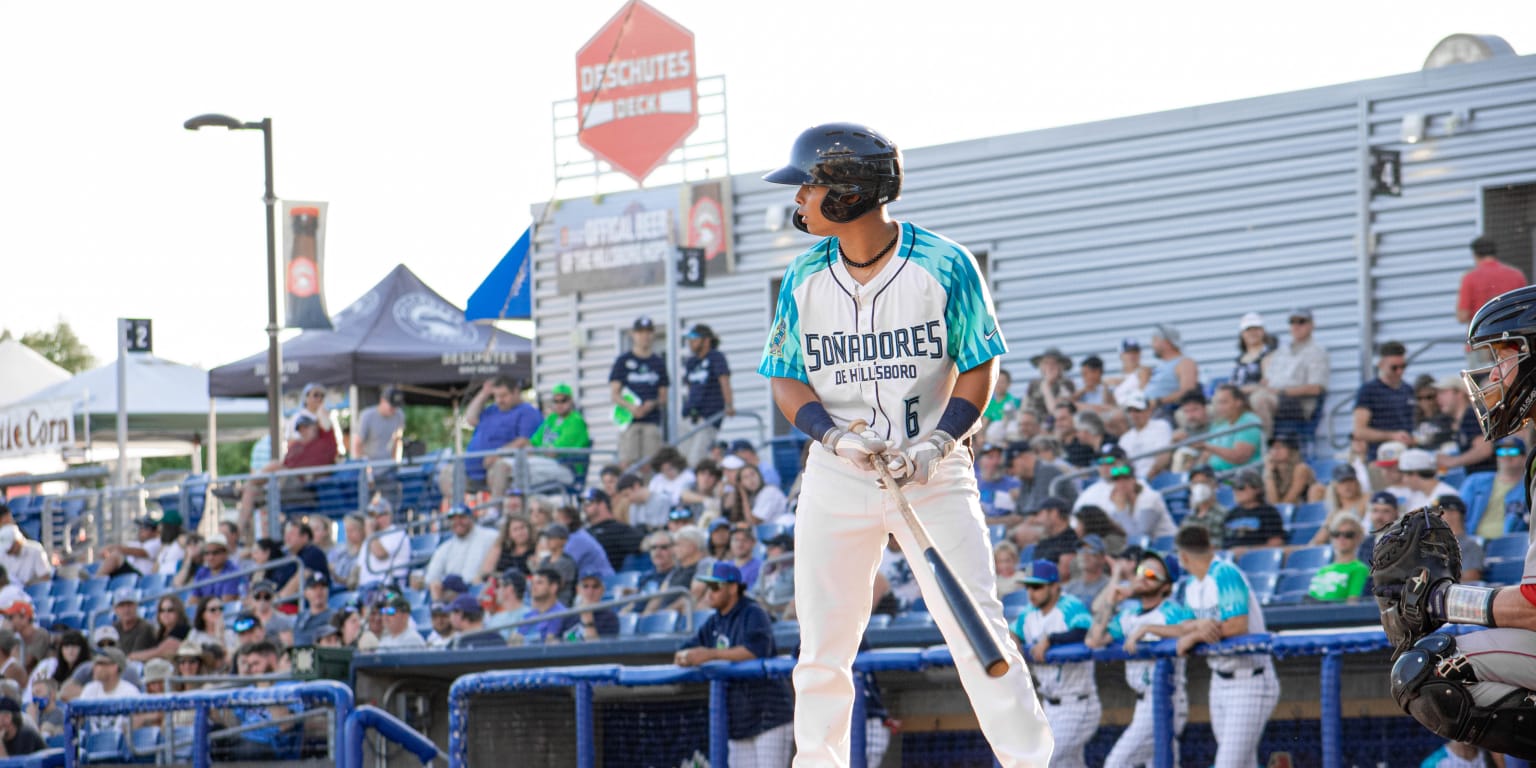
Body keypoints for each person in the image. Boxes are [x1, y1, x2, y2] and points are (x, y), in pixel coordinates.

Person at [759, 123, 1048, 765]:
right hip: (840, 473)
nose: (799, 198)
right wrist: (832, 437)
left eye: (809, 185)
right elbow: (785, 377)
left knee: (979, 633)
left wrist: (939, 443)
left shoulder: (944, 263)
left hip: (932, 471)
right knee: (823, 646)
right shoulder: (803, 275)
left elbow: (980, 366)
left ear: (849, 191)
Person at [1172, 526, 1279, 768]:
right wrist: (1199, 626)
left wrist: (1196, 635)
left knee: (1228, 763)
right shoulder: (1192, 584)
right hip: (1219, 680)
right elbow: (1184, 624)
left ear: (1184, 557)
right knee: (1243, 763)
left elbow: (1237, 625)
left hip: (1251, 678)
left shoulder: (1225, 572)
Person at [674, 562, 794, 766]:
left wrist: (710, 655)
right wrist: (685, 656)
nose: (709, 593)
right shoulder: (714, 621)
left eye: (715, 587)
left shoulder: (753, 612)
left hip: (770, 717)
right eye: (707, 587)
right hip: (739, 722)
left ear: (732, 587)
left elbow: (755, 651)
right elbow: (684, 650)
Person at [1089, 551, 1194, 768]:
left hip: (1166, 700)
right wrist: (1112, 596)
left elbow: (1192, 629)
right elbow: (1094, 640)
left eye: (1151, 574)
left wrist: (1148, 629)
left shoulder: (1171, 611)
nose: (1142, 577)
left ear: (1166, 586)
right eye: (1139, 571)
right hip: (1143, 703)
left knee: (1116, 764)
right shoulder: (1129, 615)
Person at [1010, 559, 1096, 768]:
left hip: (1077, 703)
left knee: (1045, 761)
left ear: (1055, 586)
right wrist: (1015, 642)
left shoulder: (1070, 605)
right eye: (1029, 586)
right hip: (1049, 704)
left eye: (1037, 586)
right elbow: (1012, 631)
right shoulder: (1029, 612)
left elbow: (1085, 631)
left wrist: (1050, 639)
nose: (1032, 592)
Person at [237, 413, 338, 542]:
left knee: (275, 465)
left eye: (306, 427)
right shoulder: (296, 447)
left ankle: (243, 486)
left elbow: (326, 421)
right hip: (285, 485)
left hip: (305, 486)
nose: (303, 431)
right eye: (300, 429)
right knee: (250, 491)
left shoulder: (324, 443)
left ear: (315, 427)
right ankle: (238, 534)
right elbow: (285, 465)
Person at [441, 376, 542, 502]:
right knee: (447, 472)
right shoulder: (492, 410)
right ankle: (458, 513)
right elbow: (470, 418)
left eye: (504, 395)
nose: (499, 400)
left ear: (516, 392)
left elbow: (525, 441)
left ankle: (494, 512)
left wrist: (498, 454)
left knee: (497, 471)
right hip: (472, 468)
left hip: (500, 465)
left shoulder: (528, 412)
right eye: (496, 396)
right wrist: (484, 393)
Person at [1251, 308, 1331, 440]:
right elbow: (1268, 379)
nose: (1296, 326)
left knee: (1259, 400)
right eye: (1292, 322)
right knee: (1230, 403)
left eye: (1301, 322)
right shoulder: (1282, 351)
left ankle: (1265, 446)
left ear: (1312, 325)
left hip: (1296, 403)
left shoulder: (1317, 352)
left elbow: (1316, 388)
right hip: (1273, 395)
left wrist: (1281, 392)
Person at [610, 316, 670, 468]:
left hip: (651, 421)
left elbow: (663, 396)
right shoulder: (623, 361)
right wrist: (631, 407)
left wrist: (652, 404)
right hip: (629, 421)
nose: (645, 336)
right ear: (633, 334)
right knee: (626, 463)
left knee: (649, 464)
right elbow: (615, 394)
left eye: (648, 332)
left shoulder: (658, 362)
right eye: (640, 332)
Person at [677, 324, 735, 466]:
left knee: (697, 458)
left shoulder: (716, 357)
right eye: (689, 339)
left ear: (706, 340)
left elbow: (724, 381)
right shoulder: (691, 362)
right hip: (690, 416)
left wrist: (729, 405)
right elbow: (690, 388)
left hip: (709, 415)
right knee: (681, 459)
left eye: (694, 339)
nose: (690, 343)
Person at [1352, 341, 1416, 462]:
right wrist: (1392, 436)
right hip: (1381, 458)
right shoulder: (1369, 391)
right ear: (1381, 364)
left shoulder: (1408, 390)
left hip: (1406, 456)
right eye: (1394, 367)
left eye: (1403, 366)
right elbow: (1359, 431)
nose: (1399, 371)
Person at [1460, 435, 1529, 539]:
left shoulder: (1530, 488)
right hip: (1474, 542)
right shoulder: (1474, 482)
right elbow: (1458, 513)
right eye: (1501, 452)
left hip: (1511, 545)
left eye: (1513, 451)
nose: (1506, 456)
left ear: (1524, 458)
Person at [424, 506, 499, 602]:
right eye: (453, 520)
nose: (457, 522)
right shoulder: (445, 547)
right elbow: (432, 576)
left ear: (471, 518)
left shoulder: (490, 536)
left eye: (462, 518)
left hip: (478, 589)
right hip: (452, 592)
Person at [352, 386, 406, 507]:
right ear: (382, 400)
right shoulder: (367, 416)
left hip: (388, 471)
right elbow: (357, 444)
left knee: (391, 506)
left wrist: (396, 463)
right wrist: (365, 469)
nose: (394, 409)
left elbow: (397, 440)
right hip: (368, 471)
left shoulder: (399, 415)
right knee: (367, 507)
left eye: (396, 406)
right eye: (391, 405)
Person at [1193, 384, 1264, 472]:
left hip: (1238, 478)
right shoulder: (1219, 423)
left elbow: (1239, 457)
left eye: (1224, 402)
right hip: (1213, 476)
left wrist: (1208, 447)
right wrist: (1197, 471)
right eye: (1218, 403)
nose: (1220, 407)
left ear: (1238, 402)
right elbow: (1206, 454)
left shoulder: (1249, 421)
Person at [1456, 235, 1525, 324]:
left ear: (1475, 254)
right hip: (1513, 331)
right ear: (1494, 252)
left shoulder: (1470, 278)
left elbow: (1462, 316)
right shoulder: (1516, 274)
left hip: (1483, 334)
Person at [529, 382, 591, 481]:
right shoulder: (552, 418)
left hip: (567, 468)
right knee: (519, 469)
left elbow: (554, 452)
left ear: (570, 401)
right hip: (546, 464)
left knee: (526, 469)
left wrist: (537, 451)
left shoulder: (576, 421)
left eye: (563, 400)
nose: (559, 404)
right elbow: (532, 443)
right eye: (556, 401)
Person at [1307, 513, 1370, 602]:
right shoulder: (1323, 570)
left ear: (1358, 538)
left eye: (1348, 535)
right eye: (1336, 534)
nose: (1341, 538)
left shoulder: (1360, 569)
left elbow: (1352, 604)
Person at [1223, 469, 1287, 556]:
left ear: (1257, 489)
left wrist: (1247, 551)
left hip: (1258, 560)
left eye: (1240, 487)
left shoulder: (1268, 512)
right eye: (1233, 487)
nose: (1236, 491)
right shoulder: (1231, 514)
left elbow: (1276, 543)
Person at [77, 647, 141, 732]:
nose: (94, 667)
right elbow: (77, 718)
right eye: (95, 663)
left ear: (114, 667)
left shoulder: (130, 692)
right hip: (95, 743)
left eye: (100, 663)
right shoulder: (90, 689)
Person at [580, 489, 644, 571]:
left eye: (588, 503)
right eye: (583, 504)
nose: (584, 507)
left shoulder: (619, 529)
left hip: (612, 579)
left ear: (602, 504)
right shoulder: (584, 533)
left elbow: (643, 544)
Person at [1144, 325, 1201, 413]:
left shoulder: (1185, 363)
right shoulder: (1161, 365)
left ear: (1167, 343)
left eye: (1155, 340)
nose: (1152, 345)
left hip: (1163, 411)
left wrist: (1158, 401)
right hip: (1146, 410)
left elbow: (1188, 392)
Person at [356, 497, 411, 587]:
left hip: (388, 589)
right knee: (348, 601)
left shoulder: (396, 533)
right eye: (371, 515)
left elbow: (380, 554)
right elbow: (359, 566)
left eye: (377, 515)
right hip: (366, 589)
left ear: (388, 516)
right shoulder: (371, 536)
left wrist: (369, 531)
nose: (373, 519)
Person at [1117, 392, 1172, 479]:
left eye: (1137, 410)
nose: (1133, 415)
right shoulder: (1124, 439)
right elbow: (1122, 466)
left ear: (1149, 411)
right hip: (1133, 483)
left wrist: (1146, 479)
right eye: (1130, 411)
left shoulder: (1161, 426)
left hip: (1157, 478)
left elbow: (1163, 457)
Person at [1179, 465, 1230, 549]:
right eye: (1195, 483)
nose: (1199, 487)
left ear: (1215, 485)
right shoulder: (1188, 518)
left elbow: (1224, 545)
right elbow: (1178, 546)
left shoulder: (1224, 515)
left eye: (1204, 482)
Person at [1262, 434, 1320, 505]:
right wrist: (1269, 473)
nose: (1275, 451)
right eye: (1273, 447)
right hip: (1287, 511)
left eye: (1280, 447)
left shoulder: (1301, 468)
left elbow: (1290, 500)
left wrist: (1279, 509)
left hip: (1304, 510)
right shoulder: (1271, 470)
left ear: (1292, 450)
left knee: (1317, 489)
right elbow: (1273, 503)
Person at [563, 572, 620, 642]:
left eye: (595, 587)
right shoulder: (569, 616)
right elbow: (563, 642)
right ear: (578, 590)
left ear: (602, 590)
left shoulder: (610, 618)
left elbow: (600, 650)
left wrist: (588, 622)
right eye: (585, 586)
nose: (590, 592)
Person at [1025, 347, 1076, 421]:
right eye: (1046, 363)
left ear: (1060, 366)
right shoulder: (1034, 384)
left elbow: (1056, 411)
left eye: (1054, 363)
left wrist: (1046, 385)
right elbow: (1025, 407)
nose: (1050, 366)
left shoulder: (1067, 384)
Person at [244, 580, 295, 648]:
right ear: (252, 599)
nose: (262, 600)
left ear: (272, 598)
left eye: (267, 597)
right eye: (257, 596)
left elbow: (288, 645)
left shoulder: (282, 620)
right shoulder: (246, 619)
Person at [292, 572, 336, 647]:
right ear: (305, 593)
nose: (319, 592)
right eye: (314, 588)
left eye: (322, 587)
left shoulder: (335, 617)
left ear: (328, 591)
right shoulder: (300, 617)